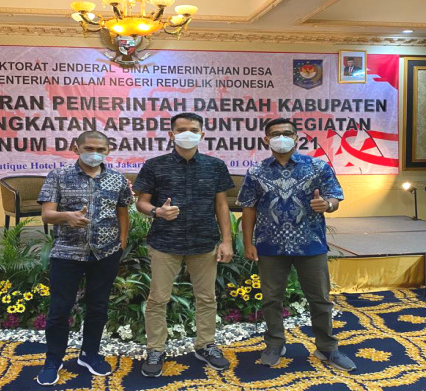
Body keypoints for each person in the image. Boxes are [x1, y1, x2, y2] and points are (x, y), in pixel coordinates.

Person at [237, 118, 356, 371]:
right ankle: (274, 344)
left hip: (310, 244)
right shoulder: (256, 172)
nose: (281, 138)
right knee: (271, 299)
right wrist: (248, 242)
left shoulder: (317, 166)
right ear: (266, 140)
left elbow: (334, 197)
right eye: (275, 134)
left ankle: (327, 347)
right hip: (270, 246)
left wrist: (327, 205)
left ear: (296, 138)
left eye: (287, 133)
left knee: (320, 299)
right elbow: (248, 208)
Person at [133, 112, 235, 377]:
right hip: (165, 242)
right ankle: (156, 349)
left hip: (204, 242)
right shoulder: (155, 165)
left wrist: (227, 241)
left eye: (193, 129)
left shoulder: (215, 166)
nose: (187, 134)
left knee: (207, 297)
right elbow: (141, 202)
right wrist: (157, 211)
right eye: (181, 129)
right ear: (171, 134)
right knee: (158, 298)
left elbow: (221, 205)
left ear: (202, 134)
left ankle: (206, 345)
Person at [36, 130, 133, 386]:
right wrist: (67, 216)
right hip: (67, 252)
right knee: (59, 309)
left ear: (108, 151)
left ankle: (90, 354)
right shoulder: (58, 176)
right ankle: (53, 360)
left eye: (101, 149)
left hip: (105, 253)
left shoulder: (117, 179)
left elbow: (123, 212)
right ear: (76, 148)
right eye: (89, 148)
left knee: (98, 307)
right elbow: (47, 214)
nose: (95, 154)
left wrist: (122, 241)